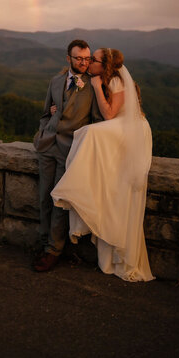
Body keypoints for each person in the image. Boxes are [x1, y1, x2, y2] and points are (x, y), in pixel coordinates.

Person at [51, 48, 154, 282]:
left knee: (88, 134)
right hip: (120, 129)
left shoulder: (116, 80)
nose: (89, 64)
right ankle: (79, 189)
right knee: (87, 135)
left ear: (104, 65)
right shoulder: (104, 77)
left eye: (94, 60)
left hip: (131, 130)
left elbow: (108, 115)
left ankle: (73, 188)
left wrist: (97, 86)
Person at [33, 39, 103, 272]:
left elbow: (97, 122)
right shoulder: (55, 82)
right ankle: (43, 244)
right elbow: (46, 112)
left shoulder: (94, 87)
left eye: (87, 58)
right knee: (43, 197)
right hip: (47, 146)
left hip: (69, 150)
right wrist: (43, 131)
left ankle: (53, 250)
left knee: (58, 202)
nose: (84, 63)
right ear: (68, 59)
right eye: (79, 58)